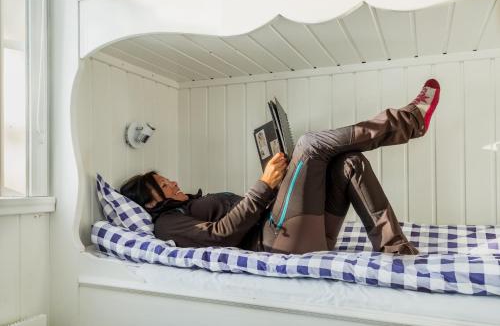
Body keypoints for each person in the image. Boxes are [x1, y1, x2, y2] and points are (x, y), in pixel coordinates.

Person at [120, 79, 441, 255]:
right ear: (150, 201)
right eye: (163, 185)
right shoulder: (167, 224)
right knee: (311, 144)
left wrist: (276, 184)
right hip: (278, 244)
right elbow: (219, 237)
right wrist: (263, 184)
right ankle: (409, 121)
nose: (173, 183)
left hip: (308, 236)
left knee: (349, 163)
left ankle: (394, 249)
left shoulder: (187, 205)